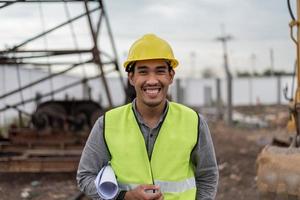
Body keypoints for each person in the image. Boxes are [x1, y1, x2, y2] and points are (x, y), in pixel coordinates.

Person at [77, 34, 219, 200]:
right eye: (143, 72)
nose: (152, 81)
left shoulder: (194, 122)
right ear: (131, 77)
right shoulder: (107, 124)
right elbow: (85, 177)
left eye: (160, 71)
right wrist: (125, 196)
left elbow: (208, 176)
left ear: (171, 76)